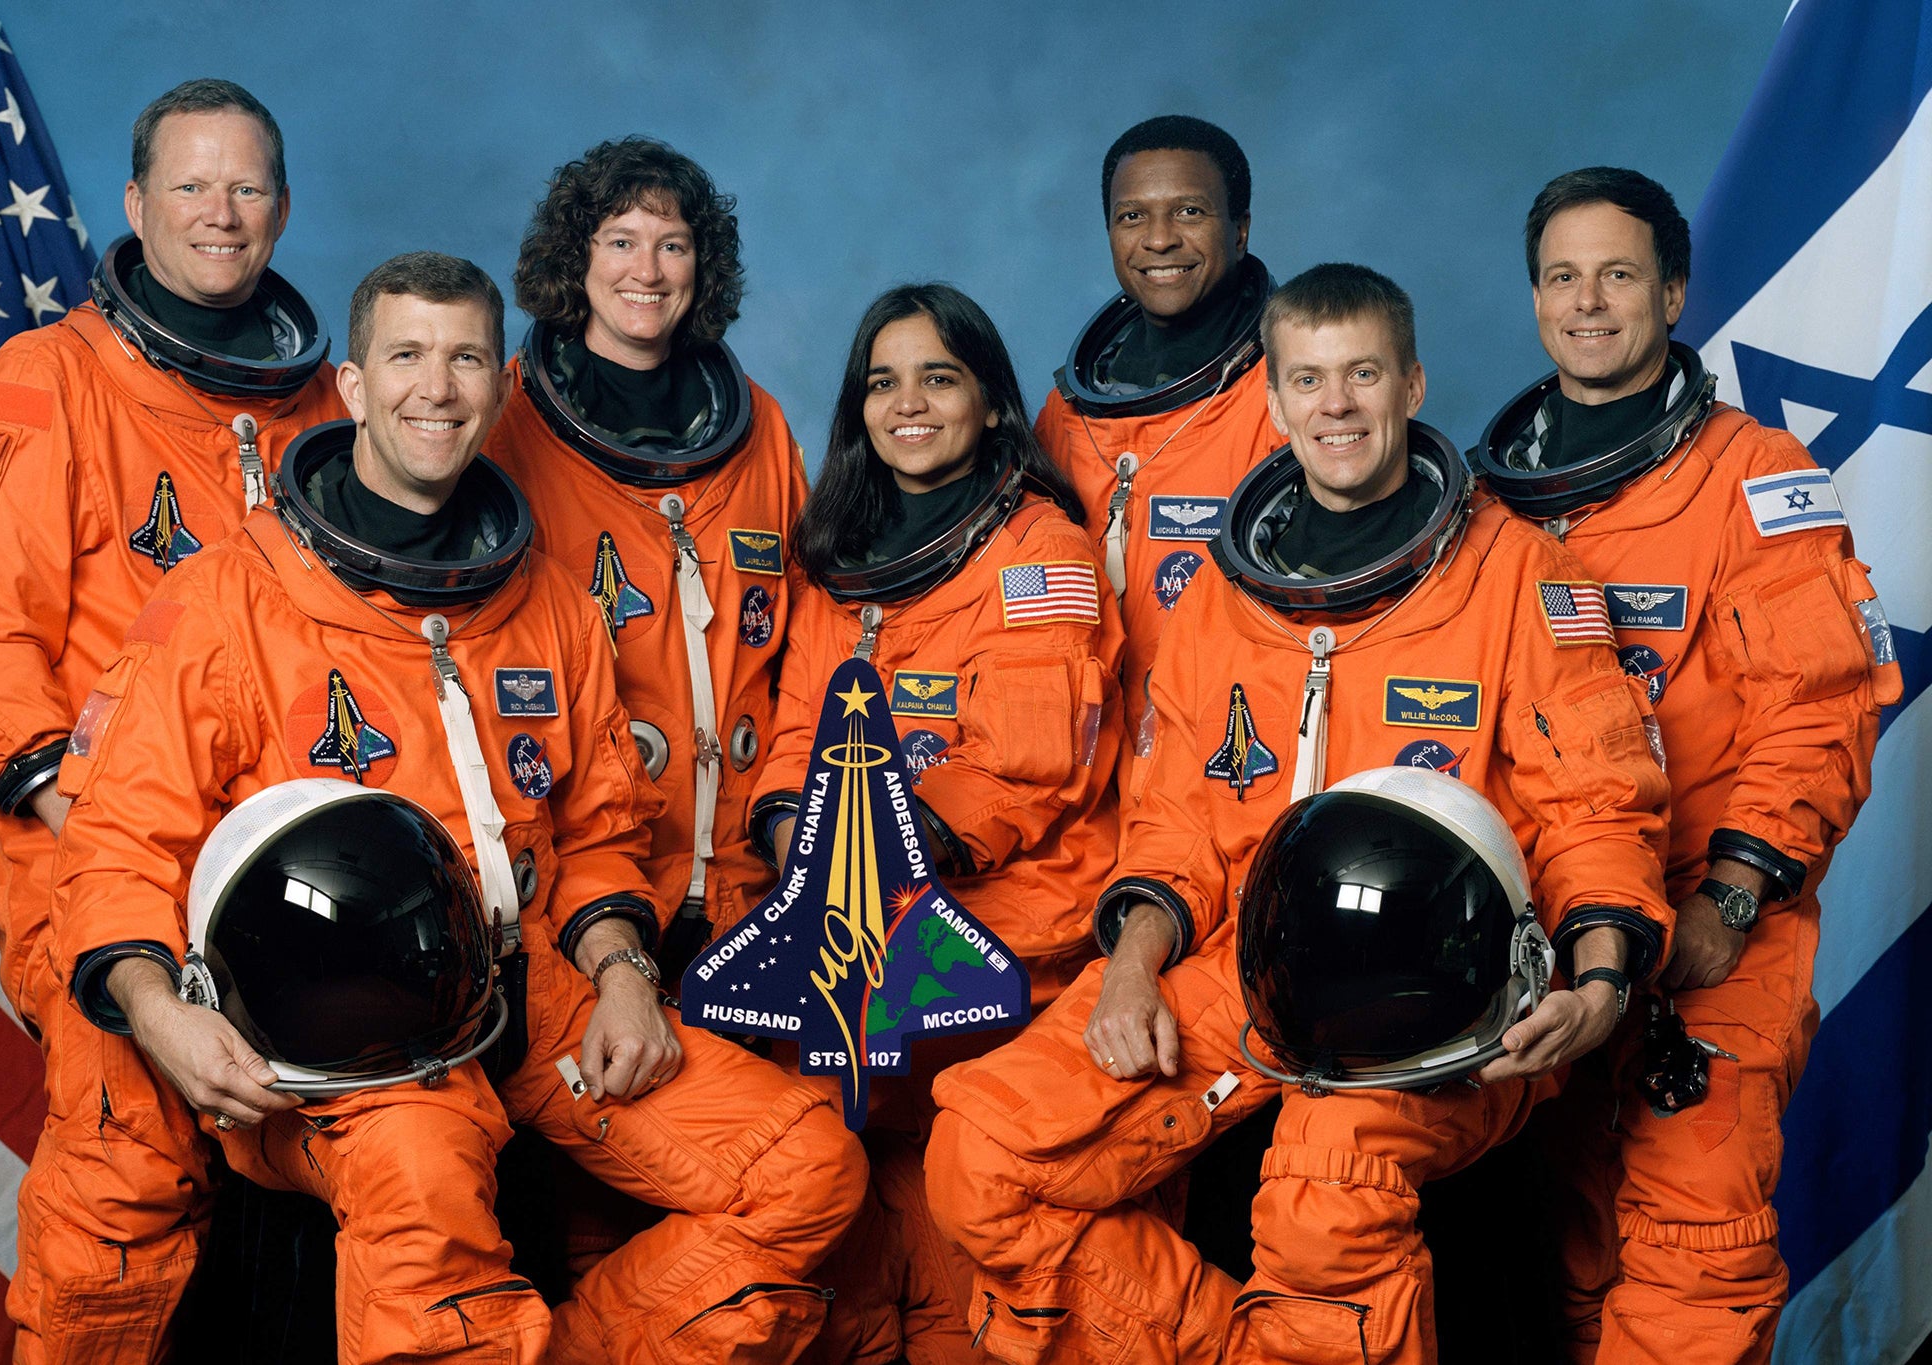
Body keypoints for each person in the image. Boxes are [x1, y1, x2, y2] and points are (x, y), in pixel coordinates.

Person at [48, 253, 867, 1363]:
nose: (436, 387)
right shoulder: (225, 602)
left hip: (535, 988)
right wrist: (158, 1010)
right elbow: (113, 845)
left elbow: (597, 834)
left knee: (805, 1168)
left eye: (465, 358)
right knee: (428, 1216)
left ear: (499, 386)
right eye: (407, 357)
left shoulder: (553, 608)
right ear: (349, 387)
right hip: (345, 1038)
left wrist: (623, 973)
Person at [926, 263, 1675, 1365]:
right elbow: (1172, 821)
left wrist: (1601, 976)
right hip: (1242, 968)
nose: (1335, 406)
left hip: (1448, 996)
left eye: (1360, 374)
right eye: (1309, 380)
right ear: (1271, 404)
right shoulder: (1222, 599)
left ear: (1410, 385)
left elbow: (1594, 807)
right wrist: (1132, 965)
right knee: (979, 1156)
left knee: (1325, 1190)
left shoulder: (1520, 576)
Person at [0, 78, 345, 1358]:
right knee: (130, 1178)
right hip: (108, 861)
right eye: (193, 184)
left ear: (281, 207)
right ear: (135, 203)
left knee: (353, 1192)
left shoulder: (322, 411)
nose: (222, 212)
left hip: (285, 864)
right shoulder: (47, 381)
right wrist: (115, 844)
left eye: (248, 185)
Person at [1472, 167, 1901, 1365]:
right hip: (1545, 945)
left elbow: (1818, 717)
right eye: (1561, 277)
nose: (1587, 302)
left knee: (1689, 1273)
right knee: (1546, 1265)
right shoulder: (1486, 502)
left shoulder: (1753, 480)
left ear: (1669, 292)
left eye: (1616, 274)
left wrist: (1726, 895)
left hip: (1712, 946)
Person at [746, 282, 1123, 1361]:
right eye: (882, 380)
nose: (906, 403)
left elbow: (1023, 769)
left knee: (970, 1248)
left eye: (938, 377)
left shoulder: (1040, 555)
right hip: (851, 936)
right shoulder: (842, 552)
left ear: (993, 404)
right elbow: (790, 739)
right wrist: (803, 866)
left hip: (1007, 942)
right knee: (837, 1224)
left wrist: (871, 875)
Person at [489, 137, 808, 975]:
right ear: (575, 257)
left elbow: (810, 642)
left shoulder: (761, 431)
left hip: (755, 875)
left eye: (674, 244)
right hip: (592, 893)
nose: (650, 270)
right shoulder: (504, 430)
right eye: (621, 241)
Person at [1034, 115, 1288, 713]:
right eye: (1132, 216)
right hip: (1084, 753)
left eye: (1189, 212)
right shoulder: (1067, 412)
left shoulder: (1289, 397)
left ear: (1241, 230)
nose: (1158, 239)